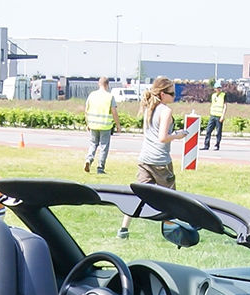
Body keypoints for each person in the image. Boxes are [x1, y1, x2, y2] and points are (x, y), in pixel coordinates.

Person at [119, 76, 188, 238]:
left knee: (138, 195)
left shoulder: (148, 107)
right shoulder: (165, 111)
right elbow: (163, 137)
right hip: (160, 161)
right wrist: (178, 135)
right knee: (172, 199)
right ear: (163, 94)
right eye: (171, 93)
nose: (174, 96)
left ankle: (123, 229)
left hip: (145, 159)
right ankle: (172, 233)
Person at [83, 76, 120, 174]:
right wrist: (118, 125)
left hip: (93, 124)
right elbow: (114, 112)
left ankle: (89, 160)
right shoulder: (110, 97)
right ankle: (100, 167)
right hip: (105, 125)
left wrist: (88, 123)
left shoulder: (92, 95)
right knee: (104, 146)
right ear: (107, 85)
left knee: (93, 144)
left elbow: (86, 110)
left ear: (98, 84)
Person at [203, 83, 226, 151]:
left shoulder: (223, 95)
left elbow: (225, 106)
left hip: (219, 116)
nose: (218, 89)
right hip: (213, 115)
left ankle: (217, 145)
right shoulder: (213, 96)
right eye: (217, 88)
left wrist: (223, 116)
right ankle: (206, 145)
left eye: (219, 88)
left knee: (218, 132)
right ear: (214, 89)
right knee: (208, 130)